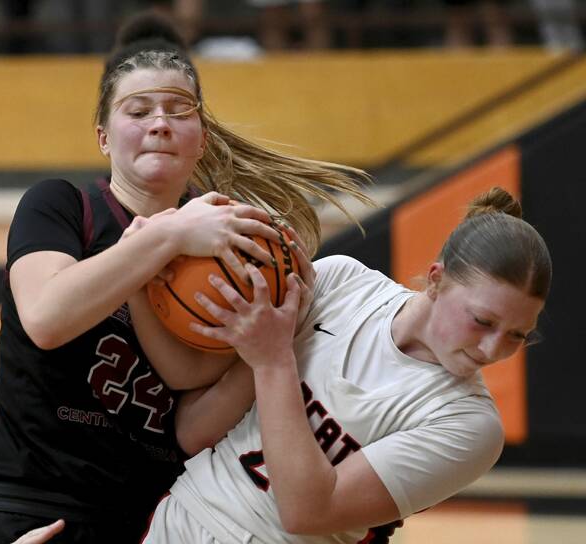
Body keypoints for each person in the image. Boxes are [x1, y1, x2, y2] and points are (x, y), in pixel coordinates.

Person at [0, 11, 376, 544]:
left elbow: (188, 411)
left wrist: (277, 338)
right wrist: (171, 235)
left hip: (160, 521)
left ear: (200, 138)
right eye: (138, 110)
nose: (160, 122)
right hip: (35, 508)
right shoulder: (60, 207)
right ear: (104, 137)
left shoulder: (240, 243)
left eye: (179, 111)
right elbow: (46, 318)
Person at [139, 187, 552, 543]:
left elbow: (305, 513)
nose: (493, 348)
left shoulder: (470, 425)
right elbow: (195, 432)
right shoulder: (342, 281)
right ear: (435, 279)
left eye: (518, 335)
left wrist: (273, 361)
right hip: (183, 518)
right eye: (483, 321)